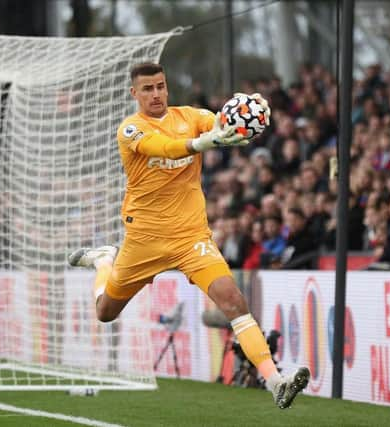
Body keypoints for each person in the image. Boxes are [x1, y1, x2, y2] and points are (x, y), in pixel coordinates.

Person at [69, 63, 309, 409]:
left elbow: (224, 124)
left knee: (233, 300)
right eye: (148, 89)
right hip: (144, 241)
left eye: (161, 86)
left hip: (190, 237)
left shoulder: (190, 115)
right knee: (105, 312)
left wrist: (250, 110)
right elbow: (166, 148)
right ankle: (105, 260)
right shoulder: (130, 130)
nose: (156, 94)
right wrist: (205, 142)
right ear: (134, 93)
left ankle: (276, 382)